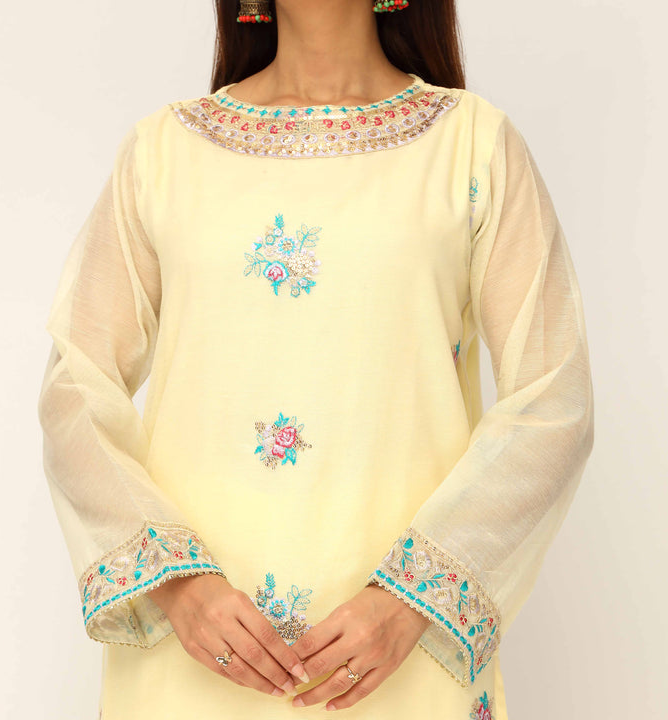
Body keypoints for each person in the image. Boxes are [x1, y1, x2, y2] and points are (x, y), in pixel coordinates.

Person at [36, 0, 595, 717]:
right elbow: (75, 387)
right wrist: (177, 586)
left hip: (400, 659)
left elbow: (554, 400)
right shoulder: (163, 154)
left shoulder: (471, 146)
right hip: (197, 657)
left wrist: (413, 600)